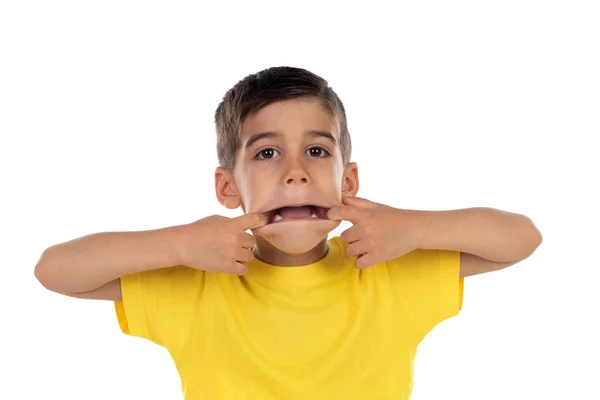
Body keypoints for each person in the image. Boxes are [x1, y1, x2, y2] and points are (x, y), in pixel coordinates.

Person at [34, 66, 542, 399]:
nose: (296, 172)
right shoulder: (196, 281)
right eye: (267, 153)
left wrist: (414, 227)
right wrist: (180, 243)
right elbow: (55, 271)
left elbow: (522, 238)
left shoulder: (387, 266)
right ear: (228, 187)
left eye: (317, 151)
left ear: (348, 181)